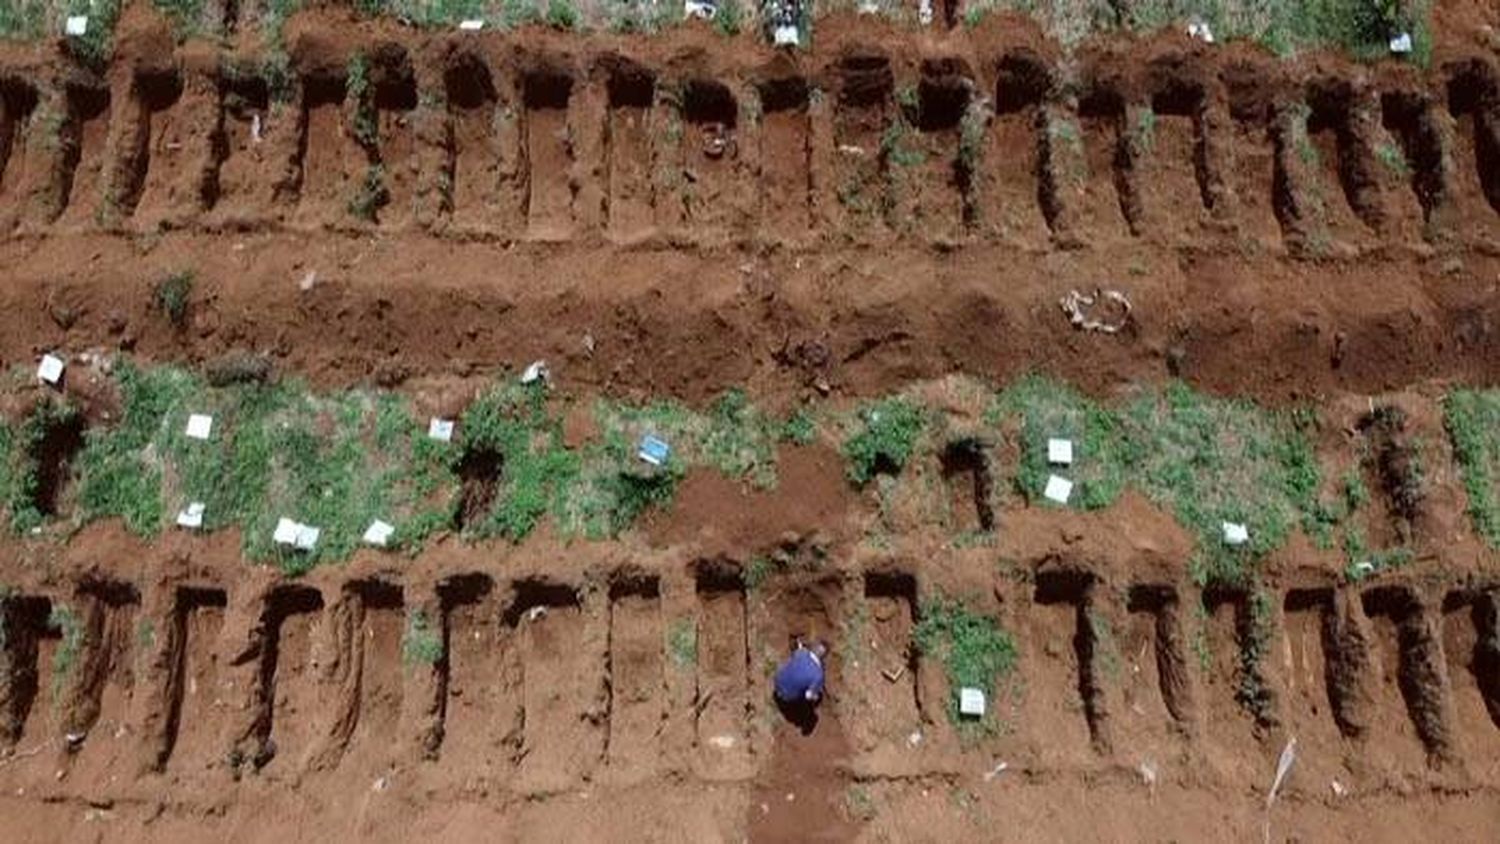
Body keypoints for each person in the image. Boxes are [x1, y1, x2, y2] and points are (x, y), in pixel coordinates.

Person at [773, 639, 827, 732]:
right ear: (823, 658)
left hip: (777, 682)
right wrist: (816, 696)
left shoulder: (802, 653)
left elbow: (797, 650)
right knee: (809, 699)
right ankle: (798, 715)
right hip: (786, 697)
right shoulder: (818, 675)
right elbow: (808, 696)